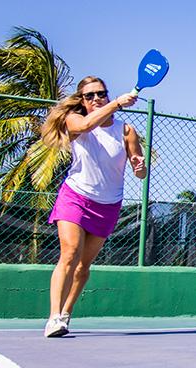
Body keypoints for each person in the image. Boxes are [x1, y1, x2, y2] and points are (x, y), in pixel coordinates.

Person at [38, 76, 147, 337]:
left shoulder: (126, 131)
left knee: (83, 266)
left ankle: (66, 313)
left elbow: (139, 171)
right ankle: (53, 317)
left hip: (108, 204)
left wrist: (140, 166)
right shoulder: (75, 121)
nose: (97, 98)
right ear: (82, 101)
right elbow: (87, 124)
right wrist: (118, 104)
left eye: (102, 94)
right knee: (70, 252)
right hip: (75, 196)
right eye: (90, 96)